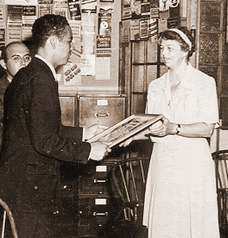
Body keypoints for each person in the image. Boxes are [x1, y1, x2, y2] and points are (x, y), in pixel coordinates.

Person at [0, 14, 111, 238]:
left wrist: (83, 133)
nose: (72, 46)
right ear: (53, 42)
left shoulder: (28, 74)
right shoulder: (40, 79)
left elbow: (38, 127)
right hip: (30, 191)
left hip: (21, 185)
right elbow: (44, 141)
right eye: (69, 40)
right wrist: (89, 150)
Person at [124, 27, 220, 238]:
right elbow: (152, 128)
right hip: (163, 163)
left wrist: (174, 128)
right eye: (162, 48)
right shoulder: (156, 85)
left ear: (186, 50)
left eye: (170, 48)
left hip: (191, 164)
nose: (164, 53)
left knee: (191, 223)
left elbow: (207, 128)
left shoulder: (204, 83)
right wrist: (129, 136)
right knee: (165, 223)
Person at [0, 42, 31, 151]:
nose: (23, 63)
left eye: (27, 58)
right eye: (16, 58)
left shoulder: (34, 88)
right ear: (4, 64)